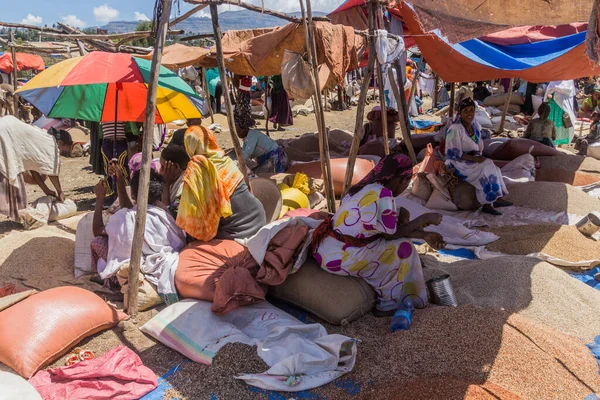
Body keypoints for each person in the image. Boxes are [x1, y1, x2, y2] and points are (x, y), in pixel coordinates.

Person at [312, 154, 445, 316]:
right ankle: (388, 304)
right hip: (342, 258)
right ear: (402, 180)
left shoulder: (364, 188)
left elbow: (377, 229)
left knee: (399, 231)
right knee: (404, 248)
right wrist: (422, 220)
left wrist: (423, 234)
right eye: (407, 182)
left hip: (325, 250)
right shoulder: (383, 194)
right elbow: (390, 235)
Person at [91, 169, 186, 304]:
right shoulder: (163, 210)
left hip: (141, 264)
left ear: (134, 194)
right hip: (167, 258)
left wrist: (99, 198)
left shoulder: (127, 217)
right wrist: (119, 183)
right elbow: (132, 210)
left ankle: (116, 285)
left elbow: (97, 230)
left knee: (98, 242)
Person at [178, 125, 266, 241]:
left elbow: (194, 215)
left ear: (189, 145)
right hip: (259, 217)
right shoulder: (225, 159)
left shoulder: (196, 169)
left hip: (239, 230)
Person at [445, 98, 511, 216]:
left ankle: (496, 198)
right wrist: (475, 159)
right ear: (459, 113)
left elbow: (477, 146)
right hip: (458, 163)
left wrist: (478, 157)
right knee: (486, 169)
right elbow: (453, 154)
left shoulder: (475, 127)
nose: (469, 113)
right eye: (466, 111)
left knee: (492, 166)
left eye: (472, 110)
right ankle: (487, 203)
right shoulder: (455, 129)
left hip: (470, 159)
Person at [0, 116, 66, 221]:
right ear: (60, 143)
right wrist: (60, 192)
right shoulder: (50, 144)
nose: (62, 152)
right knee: (9, 169)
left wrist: (46, 190)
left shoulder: (42, 137)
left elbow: (33, 169)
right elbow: (52, 172)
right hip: (5, 134)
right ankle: (19, 215)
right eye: (64, 150)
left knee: (12, 170)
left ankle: (18, 215)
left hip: (6, 128)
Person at [100, 121, 139, 201]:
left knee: (122, 167)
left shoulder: (121, 111)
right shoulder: (102, 112)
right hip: (106, 142)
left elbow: (128, 125)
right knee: (108, 167)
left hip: (120, 142)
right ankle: (111, 193)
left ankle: (125, 191)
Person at [160, 144, 189, 218]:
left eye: (163, 167)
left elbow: (167, 217)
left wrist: (166, 184)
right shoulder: (174, 180)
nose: (160, 171)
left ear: (176, 167)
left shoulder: (184, 188)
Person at [545, 80, 576, 146]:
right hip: (553, 103)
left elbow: (569, 90)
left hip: (563, 104)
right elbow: (549, 88)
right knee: (551, 121)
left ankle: (560, 141)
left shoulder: (569, 79)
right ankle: (551, 140)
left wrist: (555, 88)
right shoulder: (556, 76)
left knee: (562, 120)